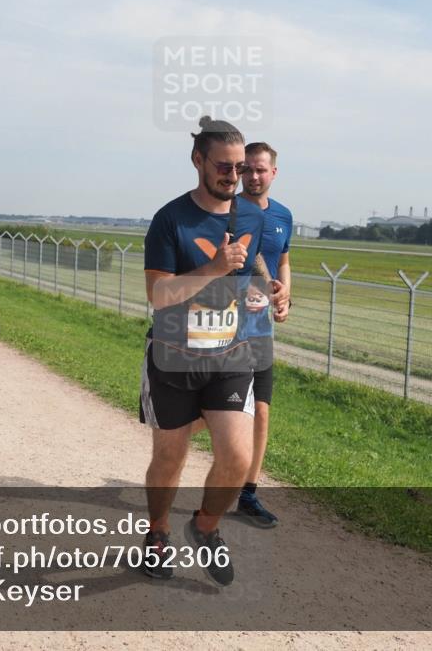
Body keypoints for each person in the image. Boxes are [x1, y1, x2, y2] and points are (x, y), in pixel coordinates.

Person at [140, 116, 283, 587]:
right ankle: (158, 532)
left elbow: (252, 262)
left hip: (230, 354)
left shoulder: (252, 216)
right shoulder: (170, 219)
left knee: (238, 457)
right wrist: (214, 268)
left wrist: (271, 288)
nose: (234, 176)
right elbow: (158, 294)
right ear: (198, 160)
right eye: (224, 166)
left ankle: (204, 526)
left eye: (240, 167)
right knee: (170, 457)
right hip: (173, 357)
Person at [234, 142, 292, 527]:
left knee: (262, 409)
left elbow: (283, 260)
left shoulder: (283, 215)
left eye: (260, 170)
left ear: (273, 172)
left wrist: (285, 296)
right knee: (215, 408)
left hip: (259, 324)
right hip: (223, 320)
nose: (253, 176)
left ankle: (248, 493)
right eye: (248, 169)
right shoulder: (229, 210)